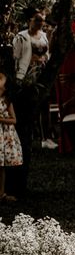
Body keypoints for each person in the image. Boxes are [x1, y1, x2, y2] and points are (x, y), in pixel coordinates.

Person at [12, 7, 57, 150]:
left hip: (42, 75)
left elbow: (47, 53)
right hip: (27, 76)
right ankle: (26, 138)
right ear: (29, 20)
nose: (40, 23)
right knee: (28, 108)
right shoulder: (21, 37)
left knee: (45, 105)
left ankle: (46, 138)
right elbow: (15, 58)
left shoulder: (44, 36)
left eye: (42, 20)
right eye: (37, 20)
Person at [0, 70, 22, 203]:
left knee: (1, 166)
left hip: (3, 136)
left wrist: (1, 119)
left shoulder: (6, 101)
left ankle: (1, 193)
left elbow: (14, 120)